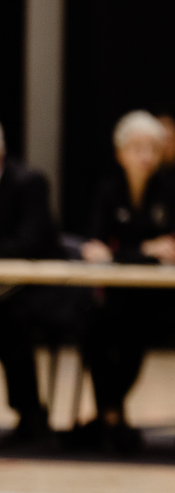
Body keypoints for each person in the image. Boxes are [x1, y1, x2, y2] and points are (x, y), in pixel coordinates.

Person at [72, 110, 175, 453]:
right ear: (120, 154)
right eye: (137, 148)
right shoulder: (108, 191)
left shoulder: (174, 192)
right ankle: (112, 418)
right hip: (118, 297)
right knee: (92, 330)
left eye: (153, 149)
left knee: (134, 331)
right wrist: (144, 250)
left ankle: (106, 421)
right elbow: (94, 247)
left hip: (163, 302)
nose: (146, 156)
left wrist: (120, 252)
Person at [0, 121, 72, 445]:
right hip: (6, 289)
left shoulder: (29, 183)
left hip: (44, 287)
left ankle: (31, 415)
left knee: (9, 319)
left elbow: (27, 244)